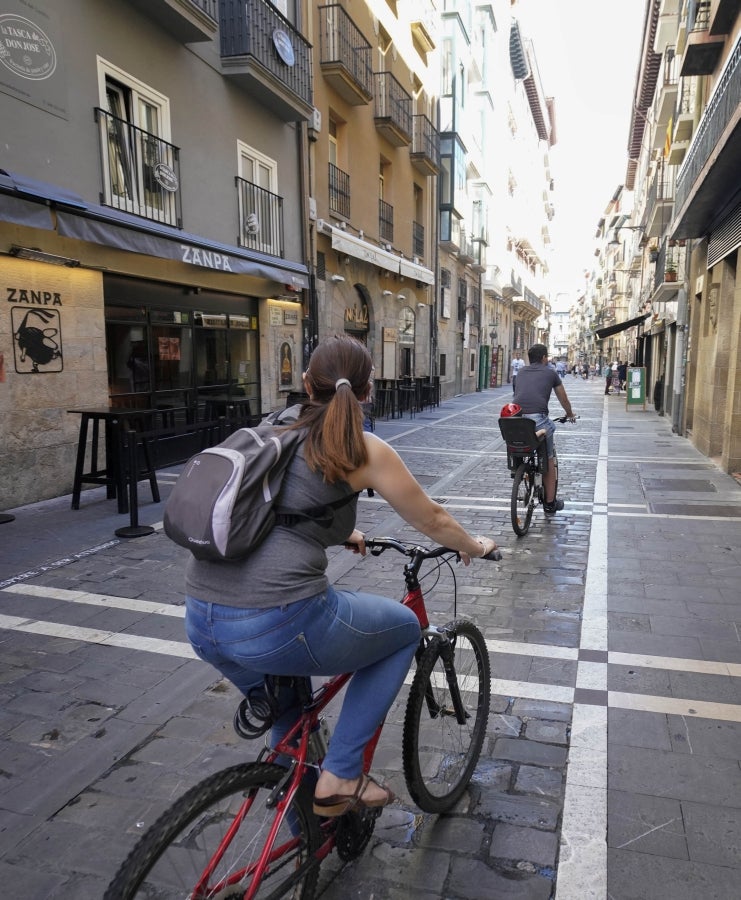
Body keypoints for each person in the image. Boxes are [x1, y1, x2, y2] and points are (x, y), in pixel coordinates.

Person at [183, 335, 498, 818]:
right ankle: (342, 775)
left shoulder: (272, 429)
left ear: (306, 384)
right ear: (367, 392)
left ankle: (303, 841)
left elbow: (273, 507)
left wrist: (337, 529)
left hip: (201, 620)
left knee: (290, 724)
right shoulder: (364, 449)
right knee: (403, 632)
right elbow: (432, 519)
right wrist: (474, 545)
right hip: (276, 622)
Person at [513, 343, 576, 515]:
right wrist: (569, 413)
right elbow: (562, 397)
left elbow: (517, 395)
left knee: (523, 446)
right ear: (543, 358)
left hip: (516, 419)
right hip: (537, 420)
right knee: (548, 460)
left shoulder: (521, 372)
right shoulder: (550, 372)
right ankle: (550, 503)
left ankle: (520, 469)